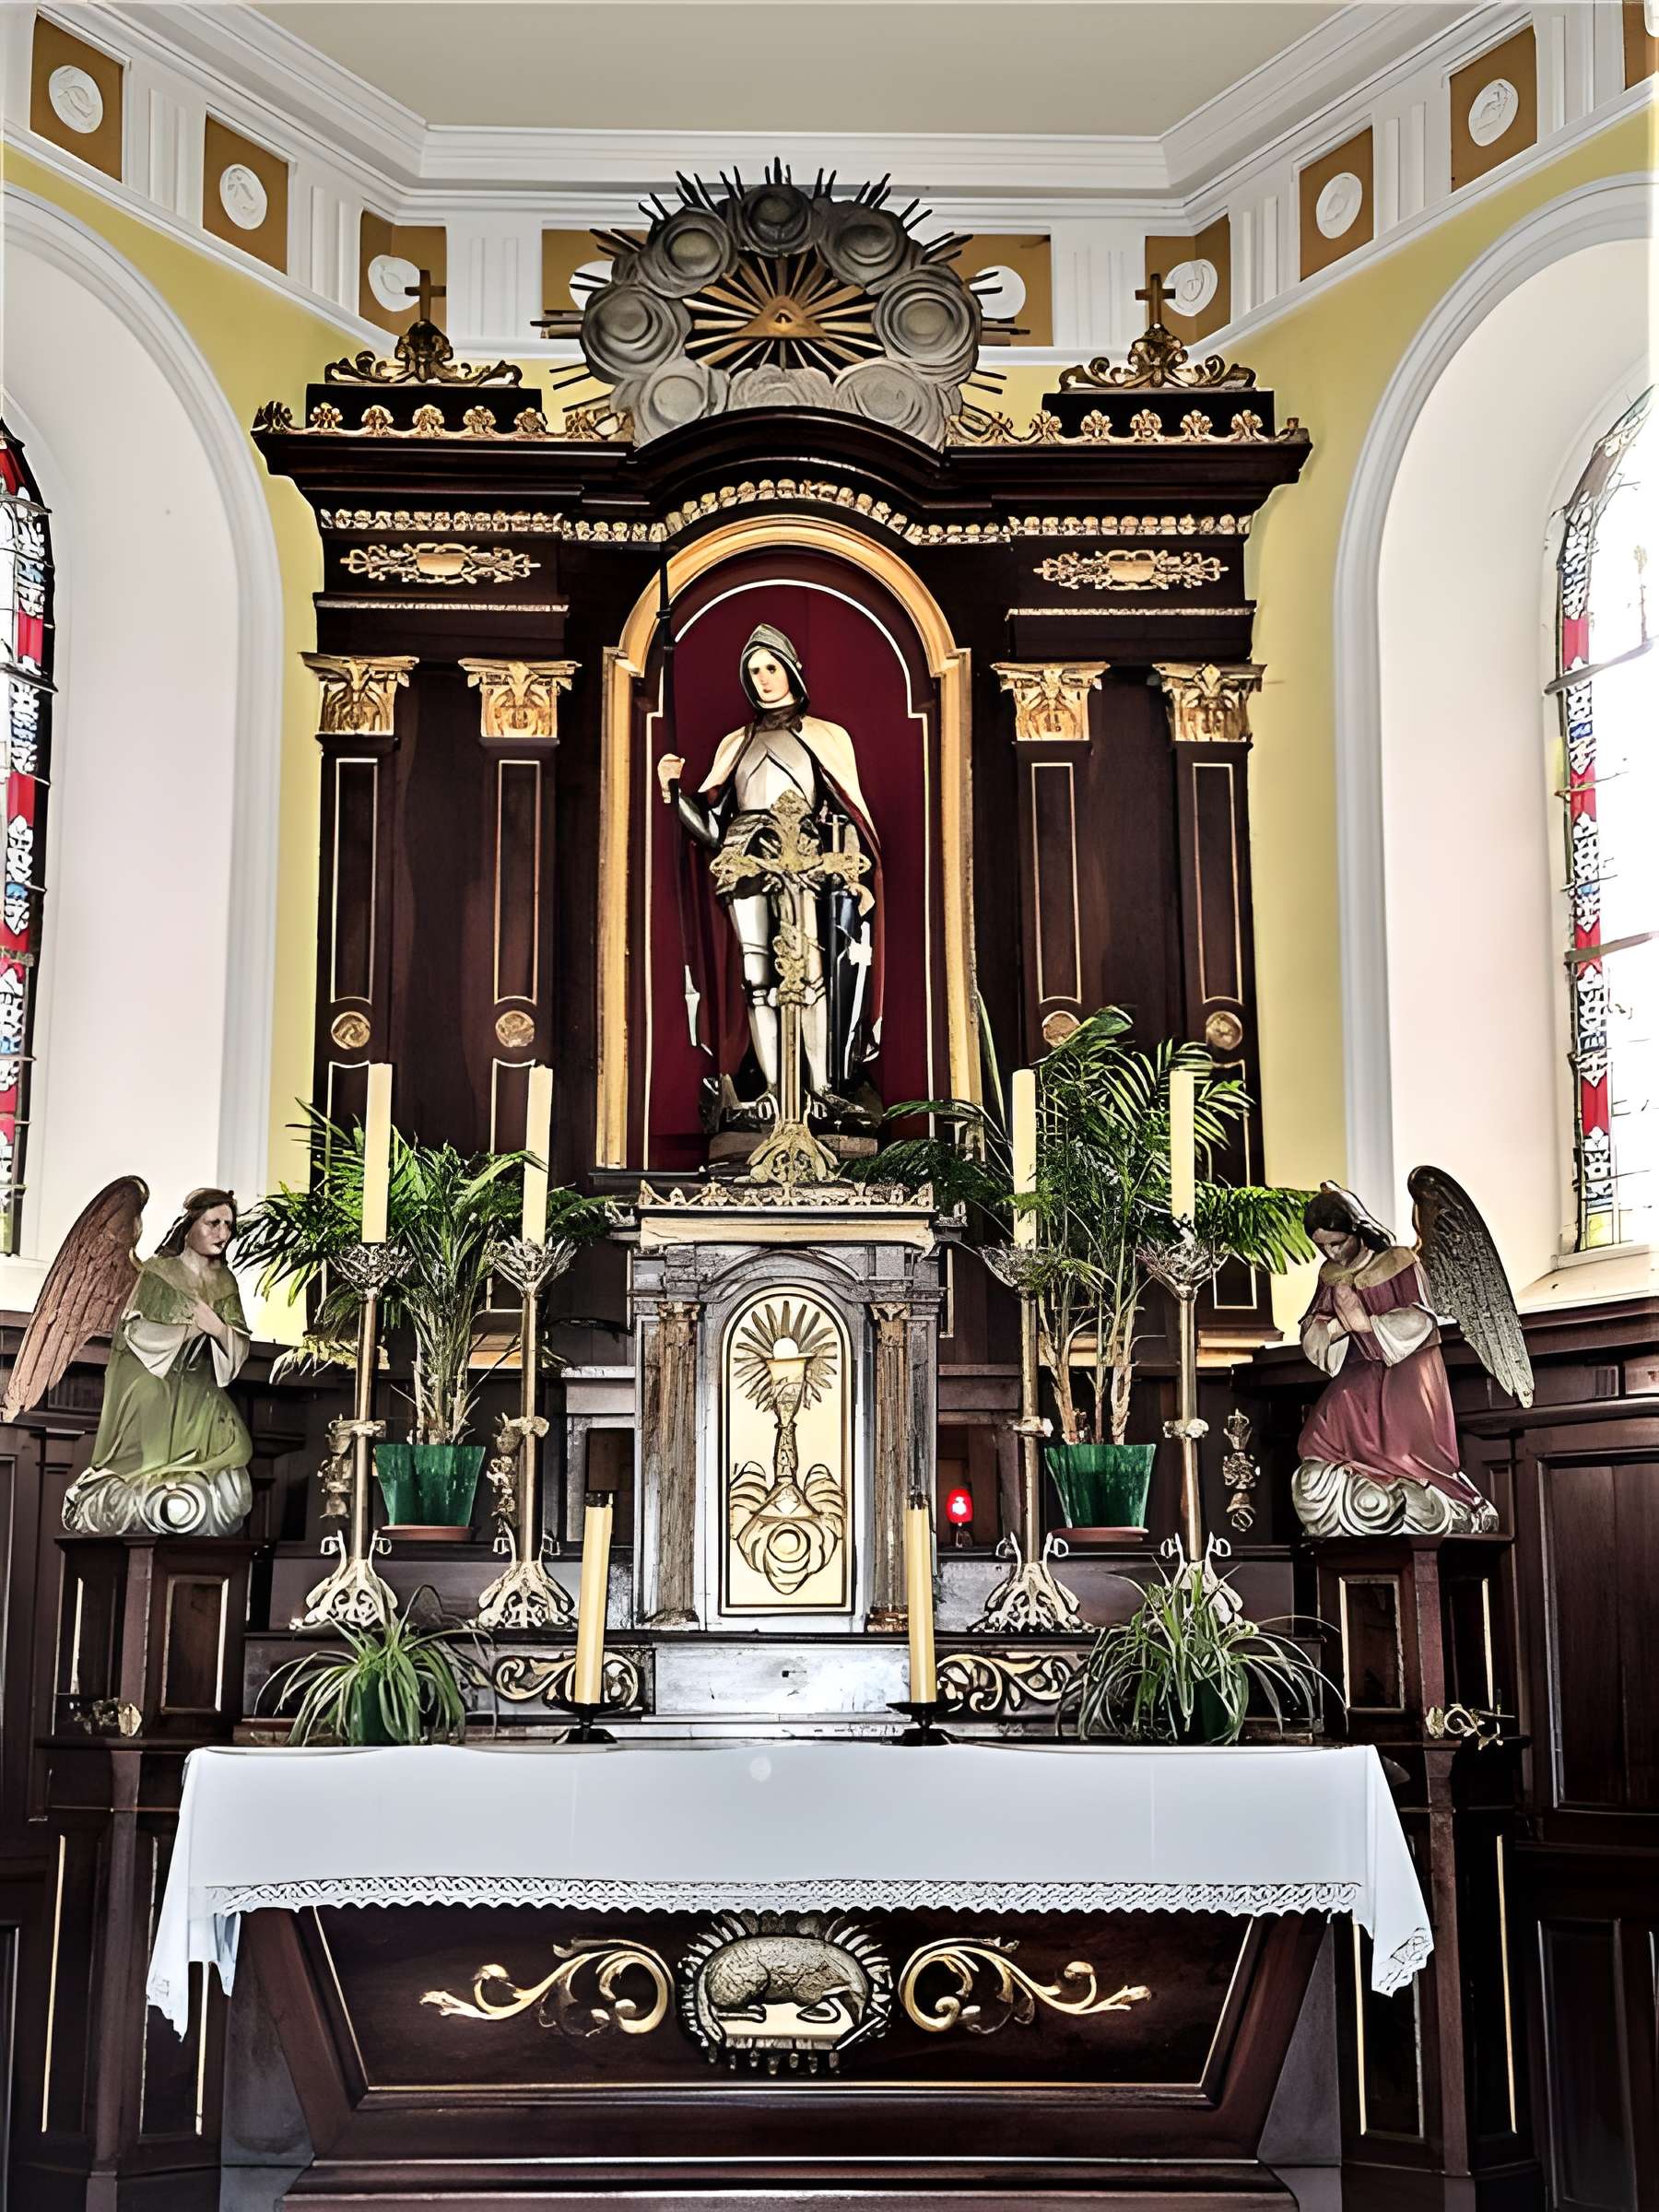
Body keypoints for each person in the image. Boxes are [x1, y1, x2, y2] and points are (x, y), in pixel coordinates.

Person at [658, 622, 882, 1132]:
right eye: (753, 671)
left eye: (770, 667)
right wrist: (673, 792)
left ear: (791, 671)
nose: (762, 679)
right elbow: (712, 825)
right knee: (759, 978)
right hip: (745, 858)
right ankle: (779, 1093)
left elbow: (848, 814)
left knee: (812, 975)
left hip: (803, 854)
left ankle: (824, 1087)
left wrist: (855, 877)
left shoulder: (826, 736)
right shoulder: (735, 743)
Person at [1292, 1186, 1497, 1537]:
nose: (1331, 1252)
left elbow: (1421, 1318)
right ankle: (1365, 1492)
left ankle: (1433, 1494)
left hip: (1406, 1370)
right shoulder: (1329, 1274)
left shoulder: (1399, 1261)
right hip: (1358, 1371)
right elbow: (1314, 1327)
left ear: (1357, 1230)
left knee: (1407, 1451)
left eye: (1338, 1242)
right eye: (1322, 1246)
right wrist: (1341, 1326)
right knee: (1319, 1437)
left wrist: (1367, 1324)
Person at [63, 1188, 253, 1537]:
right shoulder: (157, 1273)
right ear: (190, 1225)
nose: (223, 1234)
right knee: (142, 1469)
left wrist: (217, 1329)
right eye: (213, 1223)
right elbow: (134, 1330)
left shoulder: (225, 1281)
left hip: (200, 1390)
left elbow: (238, 1342)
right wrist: (188, 1330)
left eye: (229, 1225)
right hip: (153, 1385)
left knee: (230, 1449)